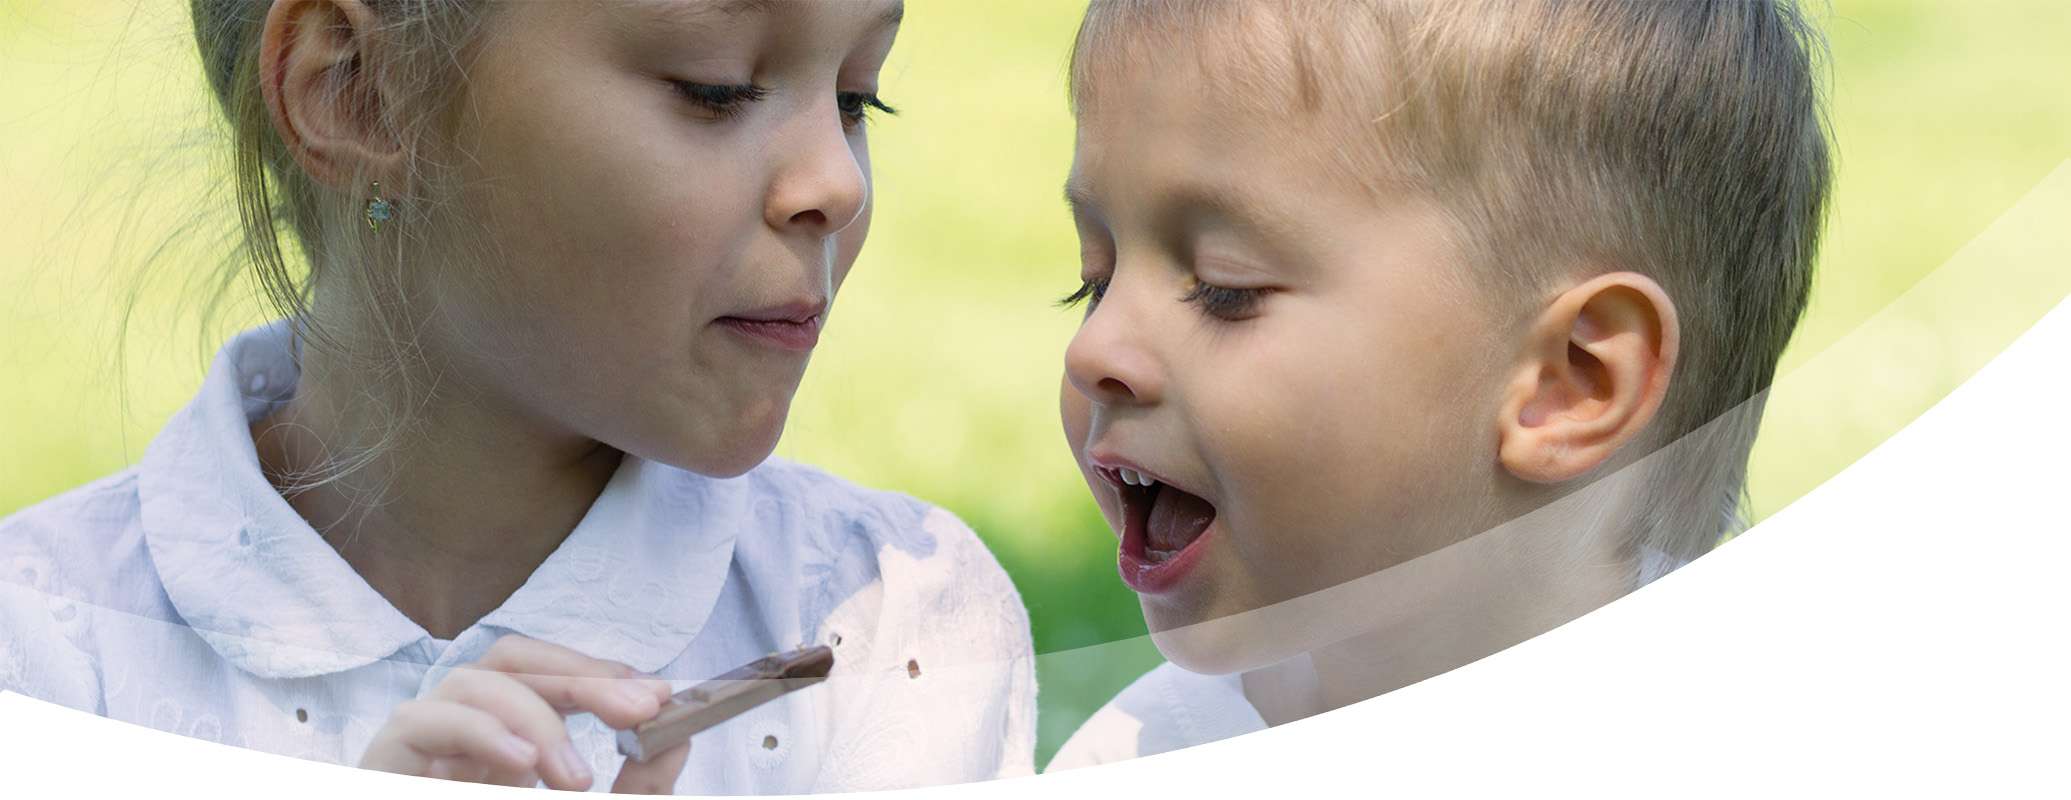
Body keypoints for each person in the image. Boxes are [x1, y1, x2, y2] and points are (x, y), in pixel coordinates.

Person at [0, 0, 1035, 792]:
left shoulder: (889, 628)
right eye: (714, 86)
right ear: (356, 90)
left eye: (856, 97)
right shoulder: (44, 655)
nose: (838, 182)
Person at [1047, 0, 1831, 768]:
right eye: (1096, 279)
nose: (1093, 349)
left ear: (1569, 382)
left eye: (1226, 289)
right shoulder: (1142, 751)